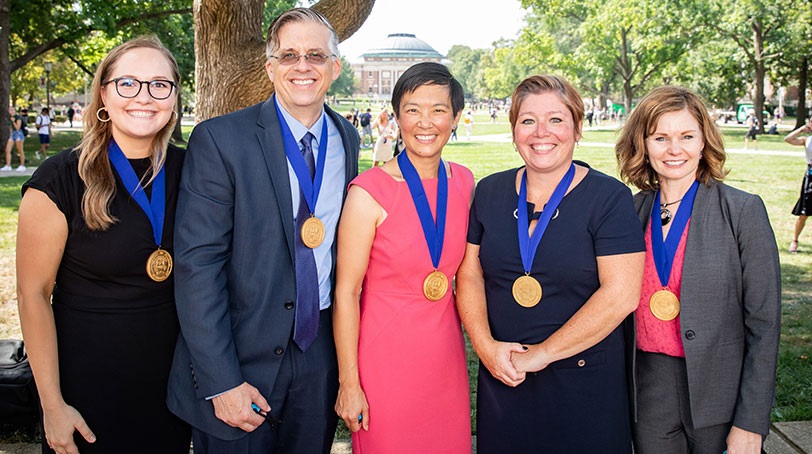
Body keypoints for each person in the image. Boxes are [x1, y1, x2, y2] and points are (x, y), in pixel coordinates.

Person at [166, 8, 359, 453]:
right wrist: (221, 381)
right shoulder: (220, 139)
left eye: (315, 55)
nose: (303, 66)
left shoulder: (347, 138)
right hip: (239, 357)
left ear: (335, 67)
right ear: (270, 67)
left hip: (318, 358)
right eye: (289, 55)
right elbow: (198, 266)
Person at [16, 36, 190, 454]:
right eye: (128, 83)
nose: (144, 97)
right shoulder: (58, 179)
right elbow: (32, 295)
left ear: (174, 97)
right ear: (104, 94)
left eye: (159, 84)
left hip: (171, 391)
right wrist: (52, 404)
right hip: (86, 391)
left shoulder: (194, 170)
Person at [457, 75, 645, 452]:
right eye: (527, 120)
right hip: (505, 376)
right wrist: (485, 345)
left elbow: (621, 294)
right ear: (513, 131)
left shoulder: (609, 198)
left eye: (556, 120)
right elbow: (470, 272)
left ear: (577, 129)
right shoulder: (490, 191)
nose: (541, 132)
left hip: (584, 382)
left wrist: (541, 355)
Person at [616, 85, 781, 453]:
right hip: (649, 390)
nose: (675, 149)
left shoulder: (742, 211)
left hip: (720, 390)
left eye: (687, 136)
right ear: (643, 144)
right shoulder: (628, 213)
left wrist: (750, 422)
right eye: (661, 137)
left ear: (704, 141)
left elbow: (765, 324)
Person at [333, 62, 473, 453]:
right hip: (384, 361)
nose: (425, 122)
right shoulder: (369, 192)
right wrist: (349, 382)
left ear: (456, 117)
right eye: (412, 109)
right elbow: (347, 292)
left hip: (444, 359)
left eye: (438, 110)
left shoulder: (464, 181)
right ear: (396, 118)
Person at [785, 118, 812, 253]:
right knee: (804, 213)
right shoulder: (807, 140)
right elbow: (788, 139)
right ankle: (795, 240)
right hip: (811, 177)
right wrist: (801, 129)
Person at [4, 106, 26, 171]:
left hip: (18, 134)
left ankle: (22, 165)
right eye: (10, 110)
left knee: (20, 150)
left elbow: (17, 128)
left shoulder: (17, 117)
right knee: (7, 150)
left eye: (12, 110)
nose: (11, 111)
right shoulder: (10, 118)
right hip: (13, 134)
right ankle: (8, 165)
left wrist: (13, 121)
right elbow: (11, 128)